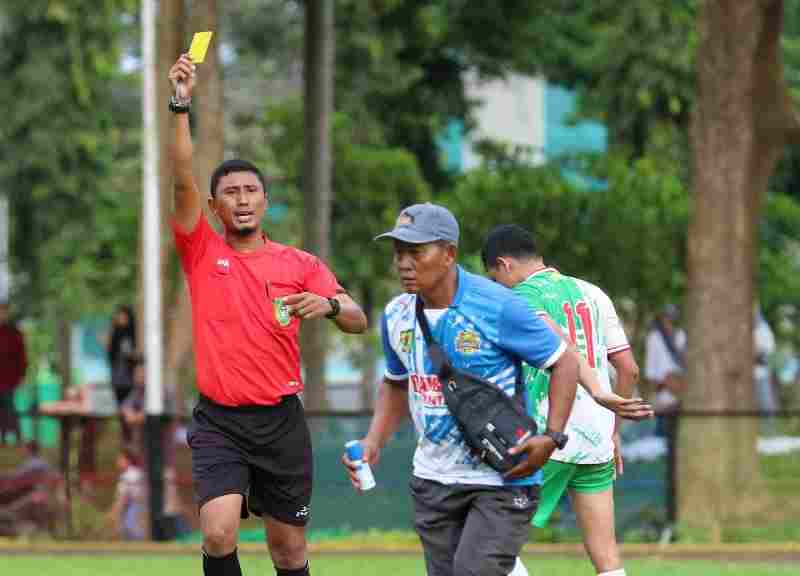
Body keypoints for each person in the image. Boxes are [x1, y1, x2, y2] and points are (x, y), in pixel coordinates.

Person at [167, 54, 368, 576]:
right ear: (213, 206)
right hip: (219, 420)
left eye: (250, 190)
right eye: (230, 192)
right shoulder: (201, 251)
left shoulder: (298, 264)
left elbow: (356, 317)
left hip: (280, 421)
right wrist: (180, 104)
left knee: (288, 551)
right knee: (217, 532)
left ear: (266, 201)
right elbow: (182, 174)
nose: (241, 199)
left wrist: (326, 305)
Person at [343, 202, 581, 576]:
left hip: (501, 479)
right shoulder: (396, 315)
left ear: (449, 254)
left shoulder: (499, 306)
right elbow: (395, 383)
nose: (404, 262)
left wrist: (552, 436)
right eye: (399, 253)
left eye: (416, 252)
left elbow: (565, 361)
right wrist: (374, 441)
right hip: (433, 480)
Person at [481, 224, 645, 576]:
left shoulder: (519, 297)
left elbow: (560, 348)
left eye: (494, 277)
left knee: (490, 542)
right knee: (607, 558)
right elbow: (628, 369)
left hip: (545, 434)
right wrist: (613, 430)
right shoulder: (592, 293)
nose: (497, 286)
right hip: (597, 437)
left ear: (503, 264)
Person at [644, 304, 686, 436]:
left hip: (680, 393)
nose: (669, 320)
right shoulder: (654, 338)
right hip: (662, 394)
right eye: (667, 317)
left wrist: (678, 384)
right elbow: (650, 372)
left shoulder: (681, 335)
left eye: (672, 317)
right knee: (663, 437)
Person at [107, 304, 136, 445]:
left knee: (129, 410)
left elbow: (131, 354)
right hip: (118, 379)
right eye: (119, 316)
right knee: (122, 413)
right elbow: (111, 354)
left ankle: (130, 442)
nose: (121, 319)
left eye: (123, 316)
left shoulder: (131, 335)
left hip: (130, 380)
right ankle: (126, 442)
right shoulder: (115, 335)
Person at [0, 300, 27, 445]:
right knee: (2, 408)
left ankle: (17, 437)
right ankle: (4, 439)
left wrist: (22, 375)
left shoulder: (14, 332)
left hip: (9, 378)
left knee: (9, 405)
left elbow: (21, 356)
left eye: (3, 312)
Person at [107, 448, 146, 541]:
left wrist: (114, 512)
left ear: (128, 460)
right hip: (131, 506)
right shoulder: (127, 474)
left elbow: (124, 497)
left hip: (137, 505)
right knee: (124, 529)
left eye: (120, 459)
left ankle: (142, 546)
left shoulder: (132, 474)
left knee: (130, 527)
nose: (117, 461)